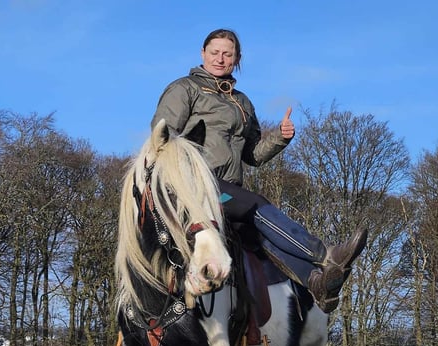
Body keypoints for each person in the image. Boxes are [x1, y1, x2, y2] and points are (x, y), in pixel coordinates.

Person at [151, 28, 367, 313]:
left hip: (228, 190)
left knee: (260, 233)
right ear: (202, 54)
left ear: (237, 59)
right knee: (256, 205)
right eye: (214, 52)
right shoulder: (185, 89)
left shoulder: (242, 102)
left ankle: (315, 282)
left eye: (227, 54)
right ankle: (324, 254)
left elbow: (252, 155)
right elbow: (162, 137)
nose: (220, 58)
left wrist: (280, 137)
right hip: (196, 185)